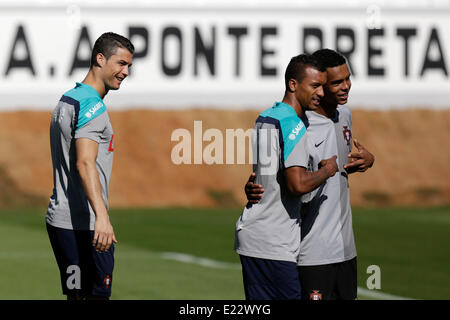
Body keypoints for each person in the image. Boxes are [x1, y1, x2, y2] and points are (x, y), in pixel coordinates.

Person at [244, 49, 375, 300]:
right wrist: (252, 188)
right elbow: (289, 180)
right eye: (335, 82)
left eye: (347, 78)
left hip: (346, 250)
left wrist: (368, 160)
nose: (345, 87)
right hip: (311, 251)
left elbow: (337, 167)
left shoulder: (345, 116)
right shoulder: (299, 123)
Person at [234, 54, 339, 300]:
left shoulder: (266, 117)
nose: (321, 93)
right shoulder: (293, 124)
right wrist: (326, 171)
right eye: (314, 86)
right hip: (273, 240)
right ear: (293, 84)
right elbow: (296, 185)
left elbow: (266, 177)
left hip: (255, 233)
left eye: (323, 86)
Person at [46, 32, 134, 300]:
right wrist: (102, 218)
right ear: (100, 58)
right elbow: (85, 162)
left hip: (60, 220)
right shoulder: (92, 105)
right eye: (120, 63)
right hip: (86, 226)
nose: (126, 72)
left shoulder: (67, 99)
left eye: (129, 65)